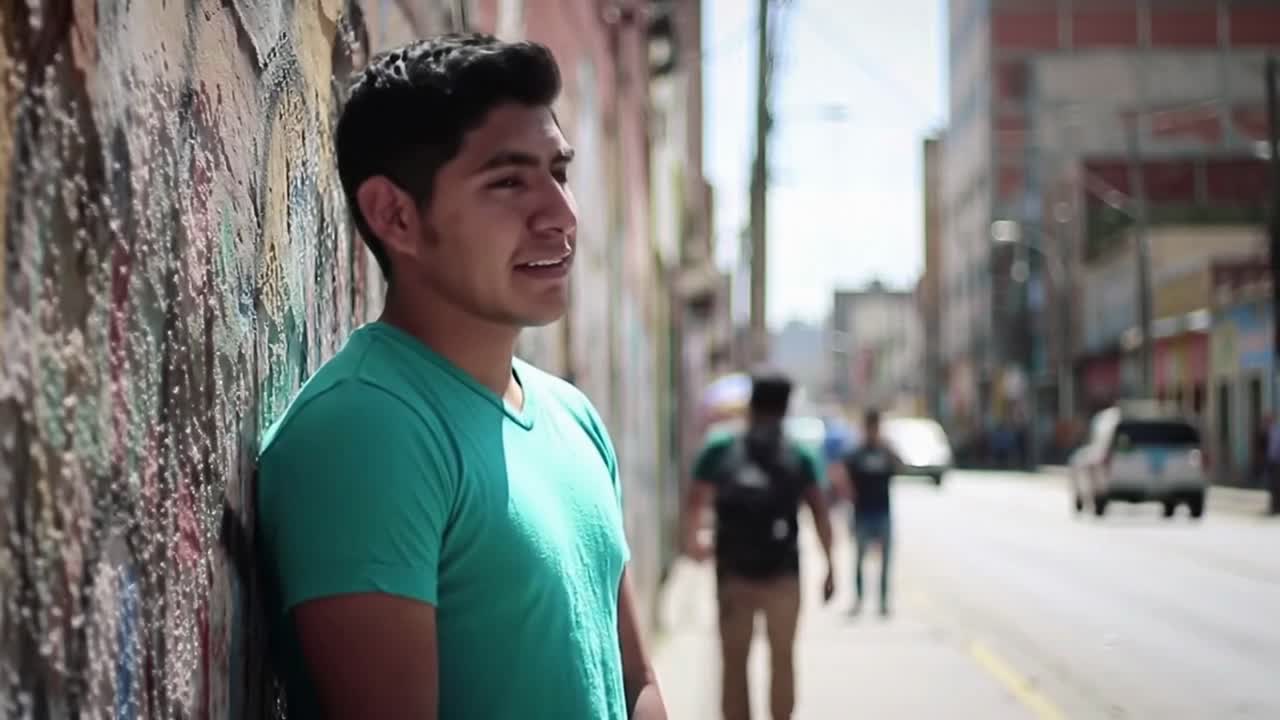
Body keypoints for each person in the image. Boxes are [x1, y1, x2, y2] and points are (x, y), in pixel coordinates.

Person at [255, 34, 665, 719]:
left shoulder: (572, 416)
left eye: (558, 172)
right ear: (396, 216)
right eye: (508, 181)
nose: (561, 216)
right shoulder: (369, 432)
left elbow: (633, 680)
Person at [684, 371, 836, 720]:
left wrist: (694, 541)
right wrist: (831, 567)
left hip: (733, 574)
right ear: (785, 409)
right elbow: (820, 512)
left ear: (751, 405)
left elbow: (697, 499)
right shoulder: (800, 452)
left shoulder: (720, 447)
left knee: (734, 665)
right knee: (783, 662)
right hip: (784, 574)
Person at [837, 409, 900, 617]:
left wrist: (890, 448)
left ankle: (883, 602)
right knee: (859, 559)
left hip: (883, 512)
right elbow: (841, 475)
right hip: (862, 513)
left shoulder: (885, 451)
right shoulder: (856, 453)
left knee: (886, 560)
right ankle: (858, 599)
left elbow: (899, 466)